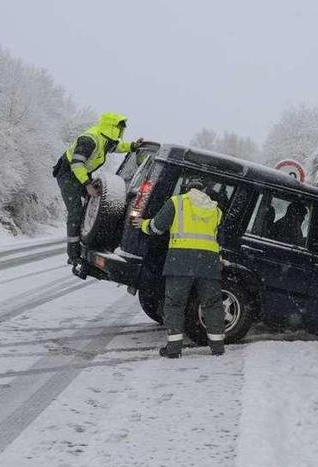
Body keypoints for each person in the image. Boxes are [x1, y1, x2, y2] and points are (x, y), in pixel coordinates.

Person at [134, 176, 225, 358]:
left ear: (186, 188)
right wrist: (219, 259)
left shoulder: (177, 202)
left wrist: (142, 224)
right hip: (208, 263)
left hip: (180, 262)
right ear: (204, 190)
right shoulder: (216, 210)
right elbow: (219, 240)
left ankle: (174, 349)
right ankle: (217, 347)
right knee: (213, 304)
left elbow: (157, 227)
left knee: (175, 304)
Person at [53, 112, 143, 264]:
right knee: (75, 211)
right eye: (120, 129)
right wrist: (87, 184)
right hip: (67, 174)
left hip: (81, 174)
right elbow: (76, 164)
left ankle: (86, 236)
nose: (122, 132)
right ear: (111, 127)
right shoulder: (89, 140)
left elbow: (117, 147)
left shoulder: (104, 140)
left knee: (93, 199)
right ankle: (74, 255)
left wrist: (132, 146)